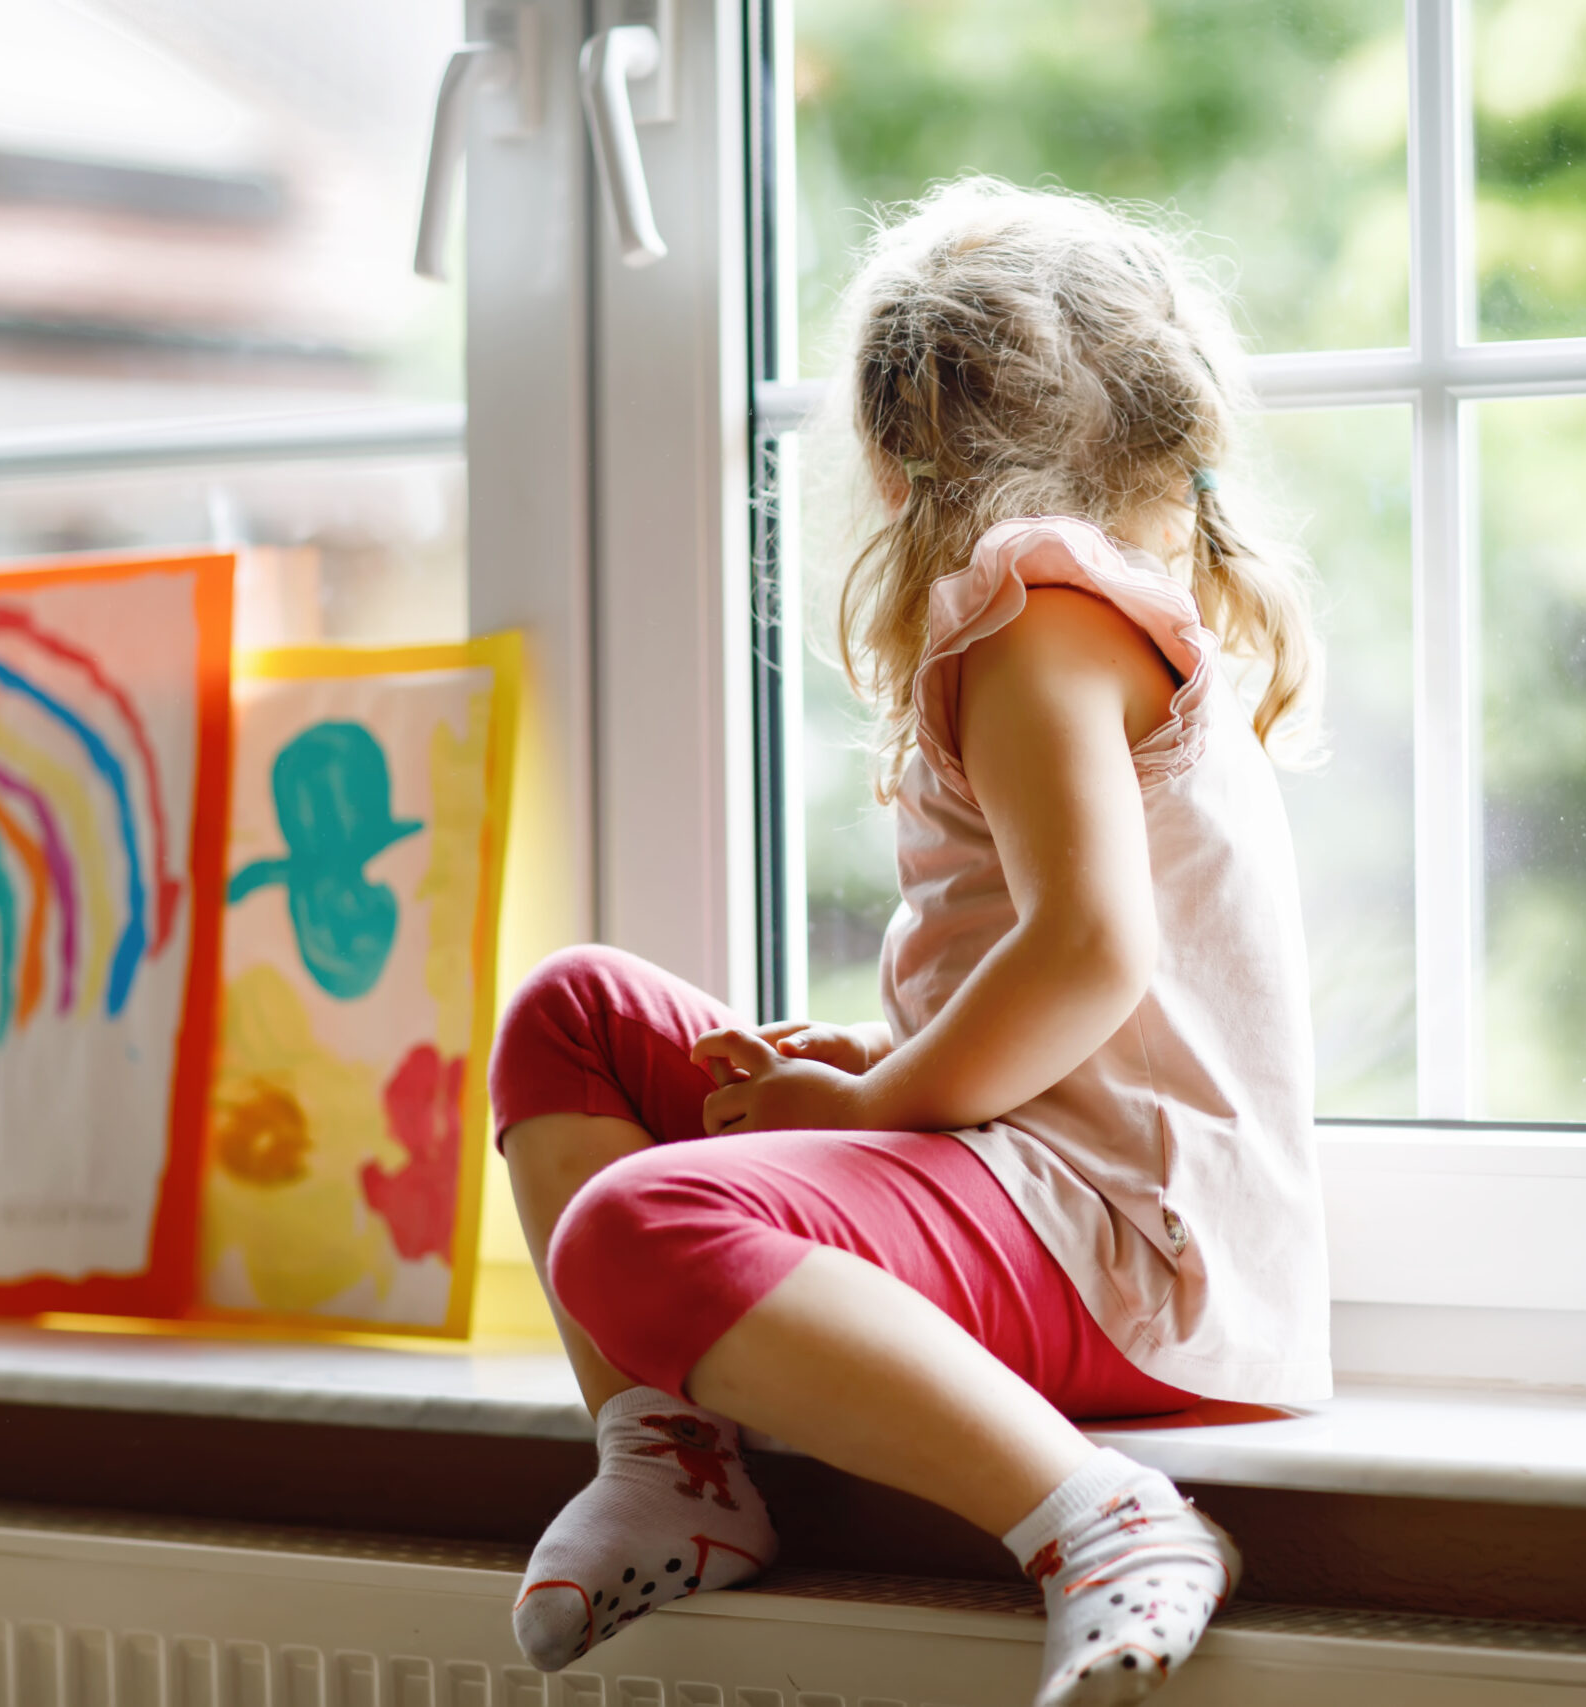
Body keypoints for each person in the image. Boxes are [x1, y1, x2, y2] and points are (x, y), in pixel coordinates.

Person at [492, 177, 1329, 1707]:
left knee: (627, 1225)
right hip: (1070, 1192)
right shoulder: (1088, 615)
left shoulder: (1036, 609)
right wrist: (881, 1060)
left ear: (896, 457)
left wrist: (878, 1112)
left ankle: (1105, 1519)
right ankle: (677, 1465)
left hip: (1128, 1251)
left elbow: (1090, 958)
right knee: (579, 1013)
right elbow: (1086, 992)